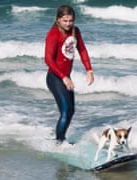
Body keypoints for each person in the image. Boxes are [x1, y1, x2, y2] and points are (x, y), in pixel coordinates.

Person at [44, 5, 94, 144]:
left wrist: (89, 70)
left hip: (66, 77)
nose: (68, 24)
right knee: (66, 111)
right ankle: (59, 142)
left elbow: (82, 50)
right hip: (55, 77)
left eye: (71, 20)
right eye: (65, 20)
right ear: (58, 19)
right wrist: (64, 77)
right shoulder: (54, 34)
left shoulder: (75, 31)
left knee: (70, 111)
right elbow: (48, 59)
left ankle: (60, 138)